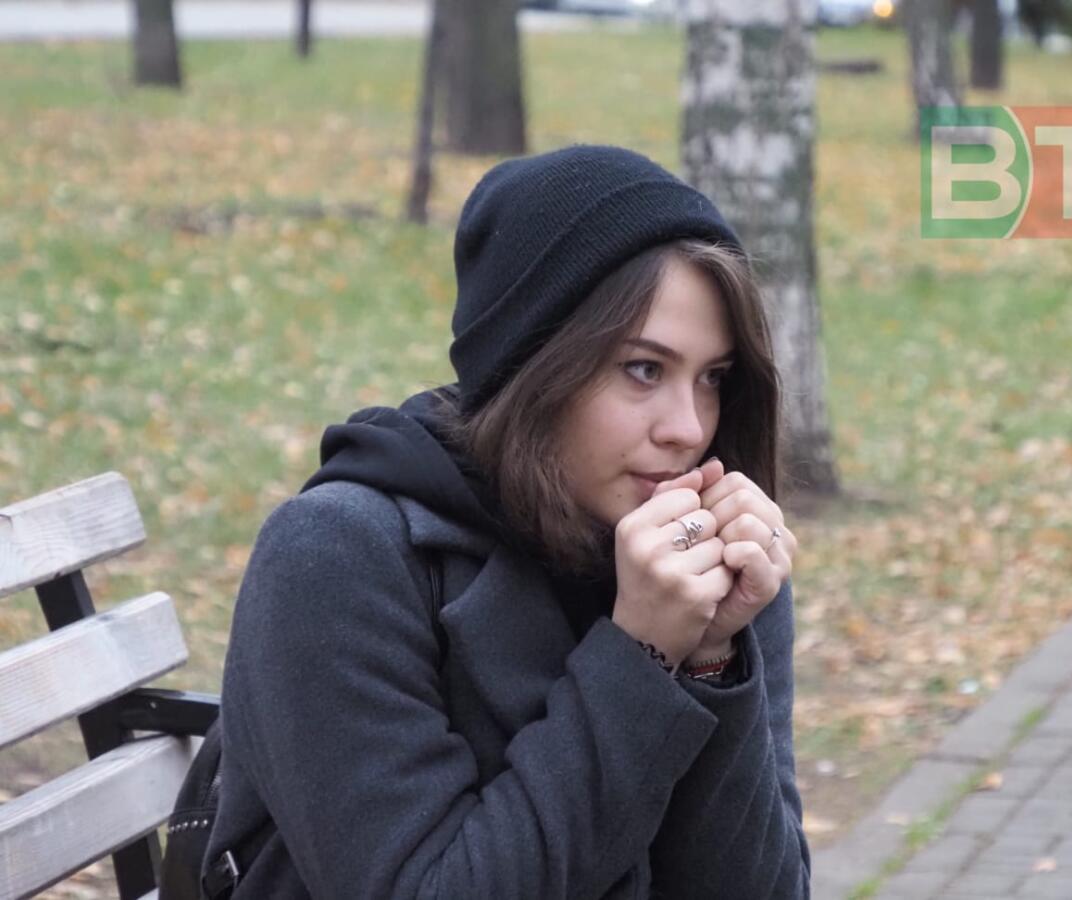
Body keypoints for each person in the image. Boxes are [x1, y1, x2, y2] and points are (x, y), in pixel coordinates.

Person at [206, 144, 812, 898]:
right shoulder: (338, 556)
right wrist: (643, 655)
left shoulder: (713, 563)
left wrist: (712, 658)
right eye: (643, 369)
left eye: (713, 377)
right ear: (534, 364)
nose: (688, 428)